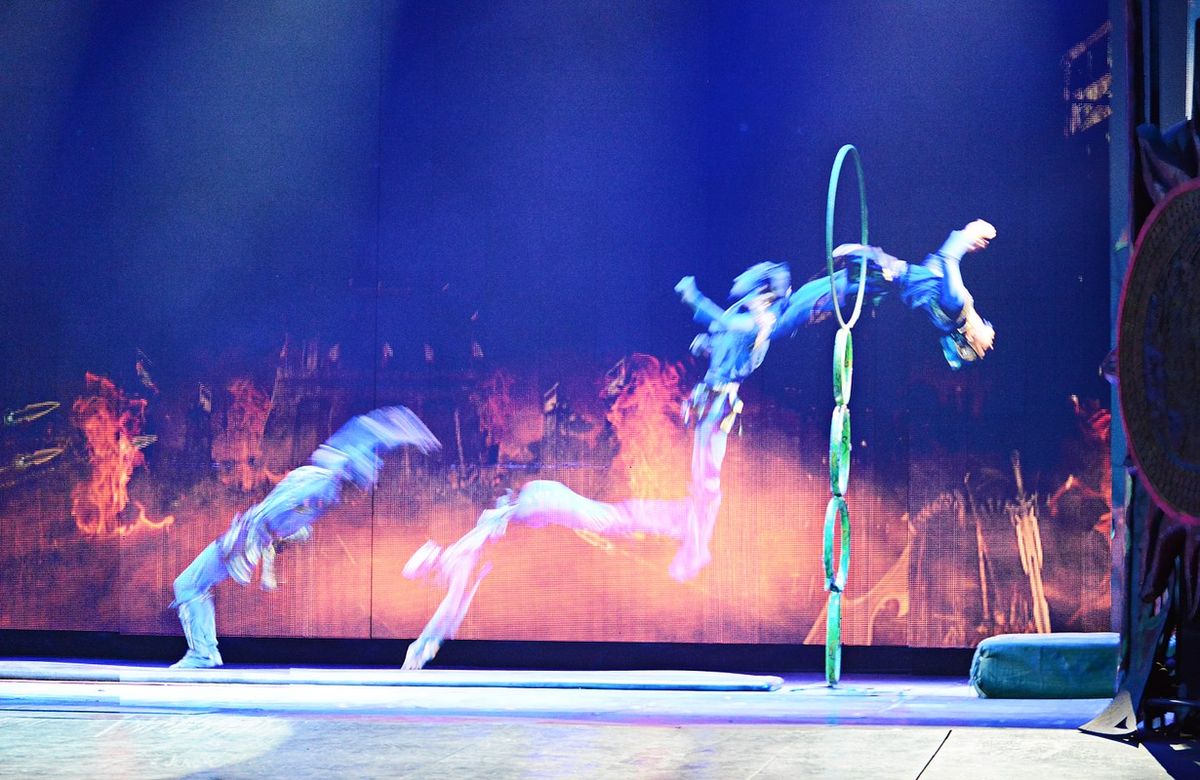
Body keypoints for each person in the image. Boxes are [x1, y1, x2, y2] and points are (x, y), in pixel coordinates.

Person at [672, 219, 997, 581]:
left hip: (876, 282)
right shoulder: (955, 307)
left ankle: (694, 543)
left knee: (791, 313)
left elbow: (938, 262)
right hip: (877, 279)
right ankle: (852, 270)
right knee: (794, 311)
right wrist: (969, 235)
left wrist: (964, 241)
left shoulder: (948, 311)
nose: (984, 340)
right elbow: (946, 258)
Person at [168, 406, 440, 669]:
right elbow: (294, 527)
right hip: (248, 538)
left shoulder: (318, 482)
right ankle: (205, 652)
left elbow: (275, 517)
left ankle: (203, 654)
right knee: (193, 585)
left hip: (243, 539)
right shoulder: (324, 491)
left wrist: (249, 542)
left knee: (187, 585)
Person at [400, 480, 690, 670]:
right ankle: (676, 518)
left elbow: (450, 606)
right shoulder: (458, 553)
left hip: (539, 502)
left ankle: (679, 516)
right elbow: (454, 606)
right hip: (537, 498)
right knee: (609, 519)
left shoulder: (457, 560)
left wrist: (423, 645)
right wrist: (427, 643)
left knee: (609, 519)